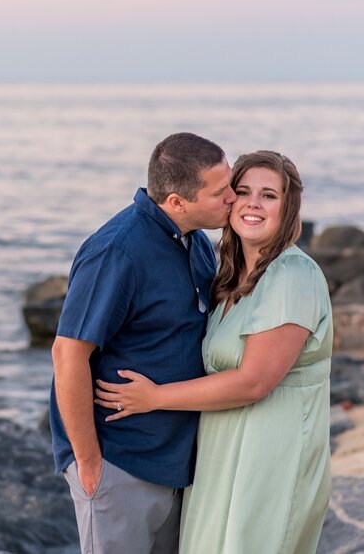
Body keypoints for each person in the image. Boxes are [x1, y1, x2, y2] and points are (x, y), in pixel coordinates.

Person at [94, 150, 332, 554]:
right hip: (222, 453)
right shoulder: (228, 276)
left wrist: (154, 398)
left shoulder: (293, 275)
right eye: (243, 191)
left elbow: (253, 381)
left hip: (270, 454)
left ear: (288, 208)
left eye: (269, 195)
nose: (254, 203)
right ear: (229, 201)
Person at [49, 132, 237, 554]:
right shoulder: (117, 251)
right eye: (220, 191)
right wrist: (89, 463)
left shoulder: (195, 242)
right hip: (121, 463)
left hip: (177, 461)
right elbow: (67, 353)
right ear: (176, 201)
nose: (234, 196)